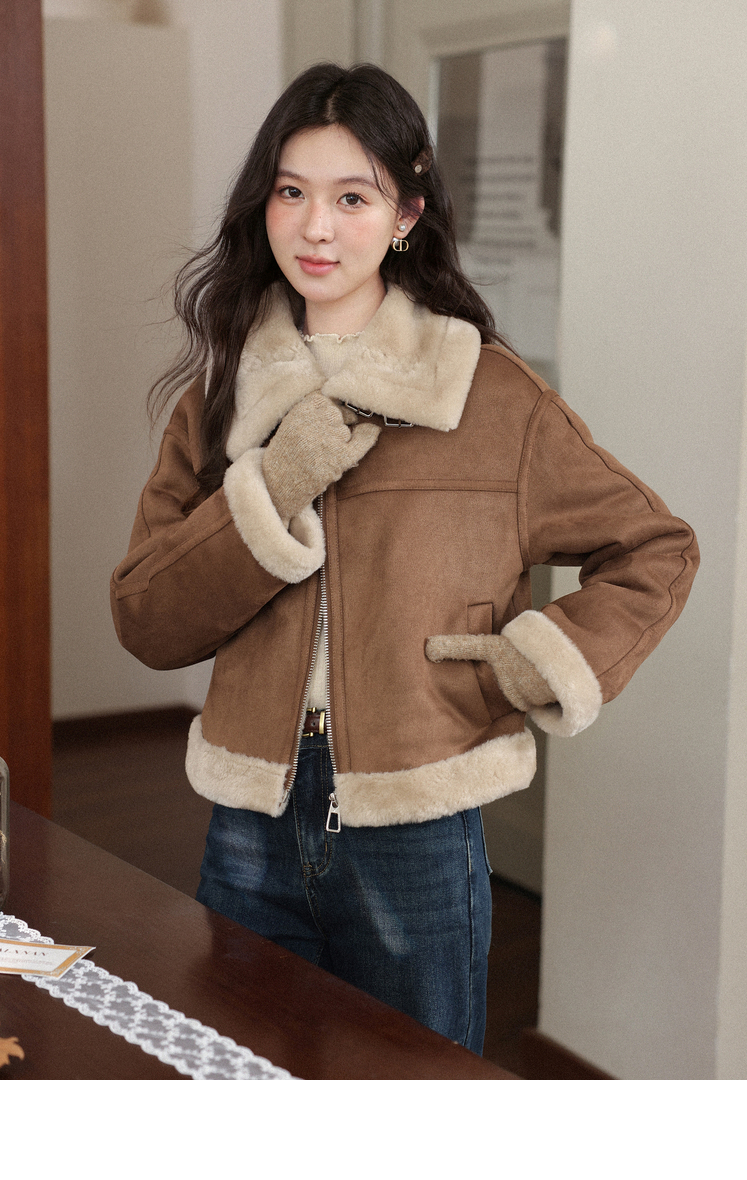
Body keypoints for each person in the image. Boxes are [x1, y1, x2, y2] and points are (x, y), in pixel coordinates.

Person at [111, 62, 698, 1056]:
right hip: (249, 822)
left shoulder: (491, 396)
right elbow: (146, 618)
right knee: (237, 1083)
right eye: (291, 192)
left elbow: (656, 547)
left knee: (416, 1098)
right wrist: (274, 483)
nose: (316, 228)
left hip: (416, 827)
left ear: (407, 215)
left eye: (353, 197)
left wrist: (542, 658)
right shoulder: (221, 397)